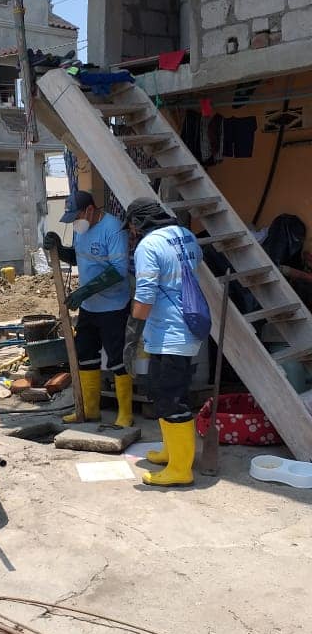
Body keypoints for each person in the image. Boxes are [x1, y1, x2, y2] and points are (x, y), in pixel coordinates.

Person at [123, 197, 203, 488]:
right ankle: (171, 452)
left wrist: (132, 331)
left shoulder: (148, 246)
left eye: (131, 227)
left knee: (171, 398)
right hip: (185, 326)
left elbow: (145, 295)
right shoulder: (186, 235)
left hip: (169, 332)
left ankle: (180, 470)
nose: (131, 232)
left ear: (138, 223)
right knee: (161, 391)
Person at [43, 189, 133, 427]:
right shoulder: (81, 229)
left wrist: (84, 291)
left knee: (118, 359)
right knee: (85, 355)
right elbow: (79, 257)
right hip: (89, 307)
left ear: (90, 210)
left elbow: (118, 270)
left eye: (77, 216)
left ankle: (125, 414)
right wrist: (59, 248)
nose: (75, 222)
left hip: (114, 306)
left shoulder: (114, 229)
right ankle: (90, 410)